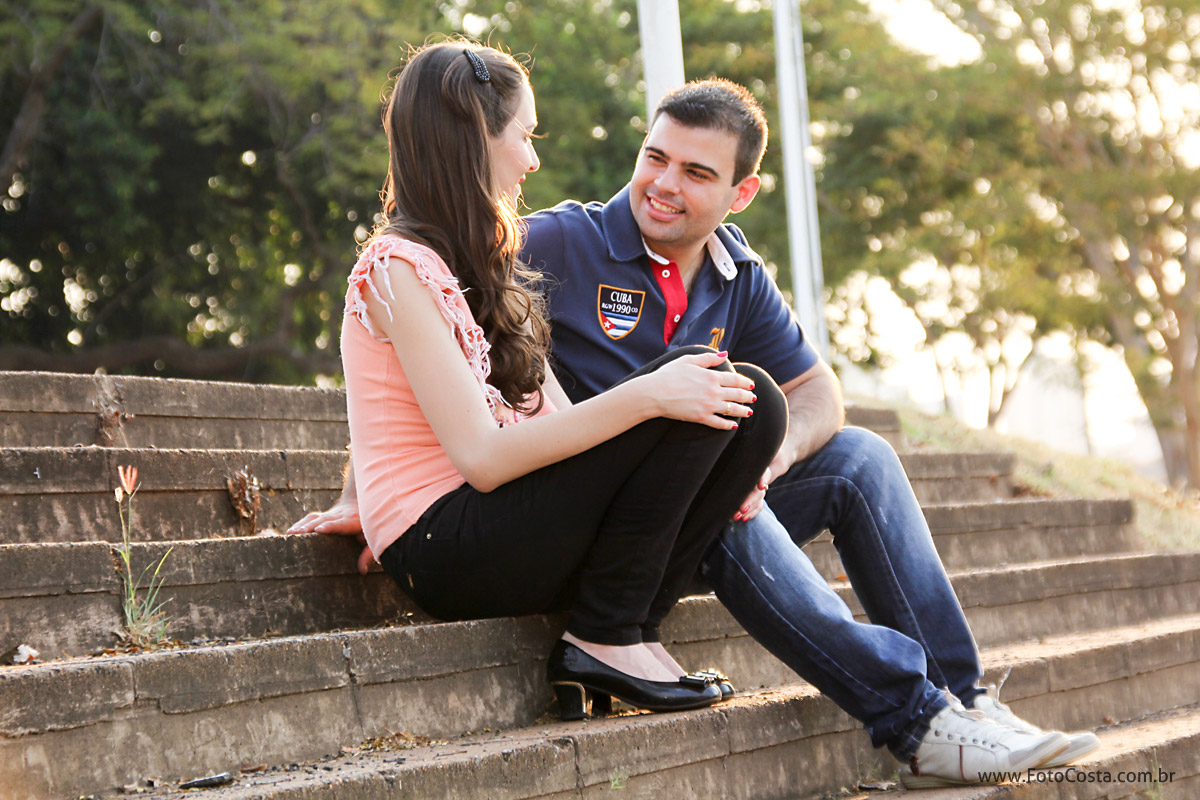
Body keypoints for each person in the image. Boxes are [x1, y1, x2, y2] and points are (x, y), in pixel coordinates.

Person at [293, 72, 1096, 787]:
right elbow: (411, 382)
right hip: (599, 508)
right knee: (720, 414)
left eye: (697, 172)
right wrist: (365, 487)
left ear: (740, 193)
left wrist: (767, 466)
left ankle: (965, 699)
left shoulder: (736, 273)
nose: (663, 184)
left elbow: (819, 390)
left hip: (652, 503)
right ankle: (914, 719)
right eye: (655, 158)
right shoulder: (551, 240)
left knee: (855, 457)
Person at [303, 40, 792, 722]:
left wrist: (707, 458)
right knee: (691, 391)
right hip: (447, 547)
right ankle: (607, 635)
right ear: (477, 140)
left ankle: (624, 629)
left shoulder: (484, 256)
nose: (533, 159)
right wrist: (652, 398)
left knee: (748, 402)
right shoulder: (395, 267)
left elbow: (552, 415)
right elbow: (481, 457)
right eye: (524, 136)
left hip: (504, 523)